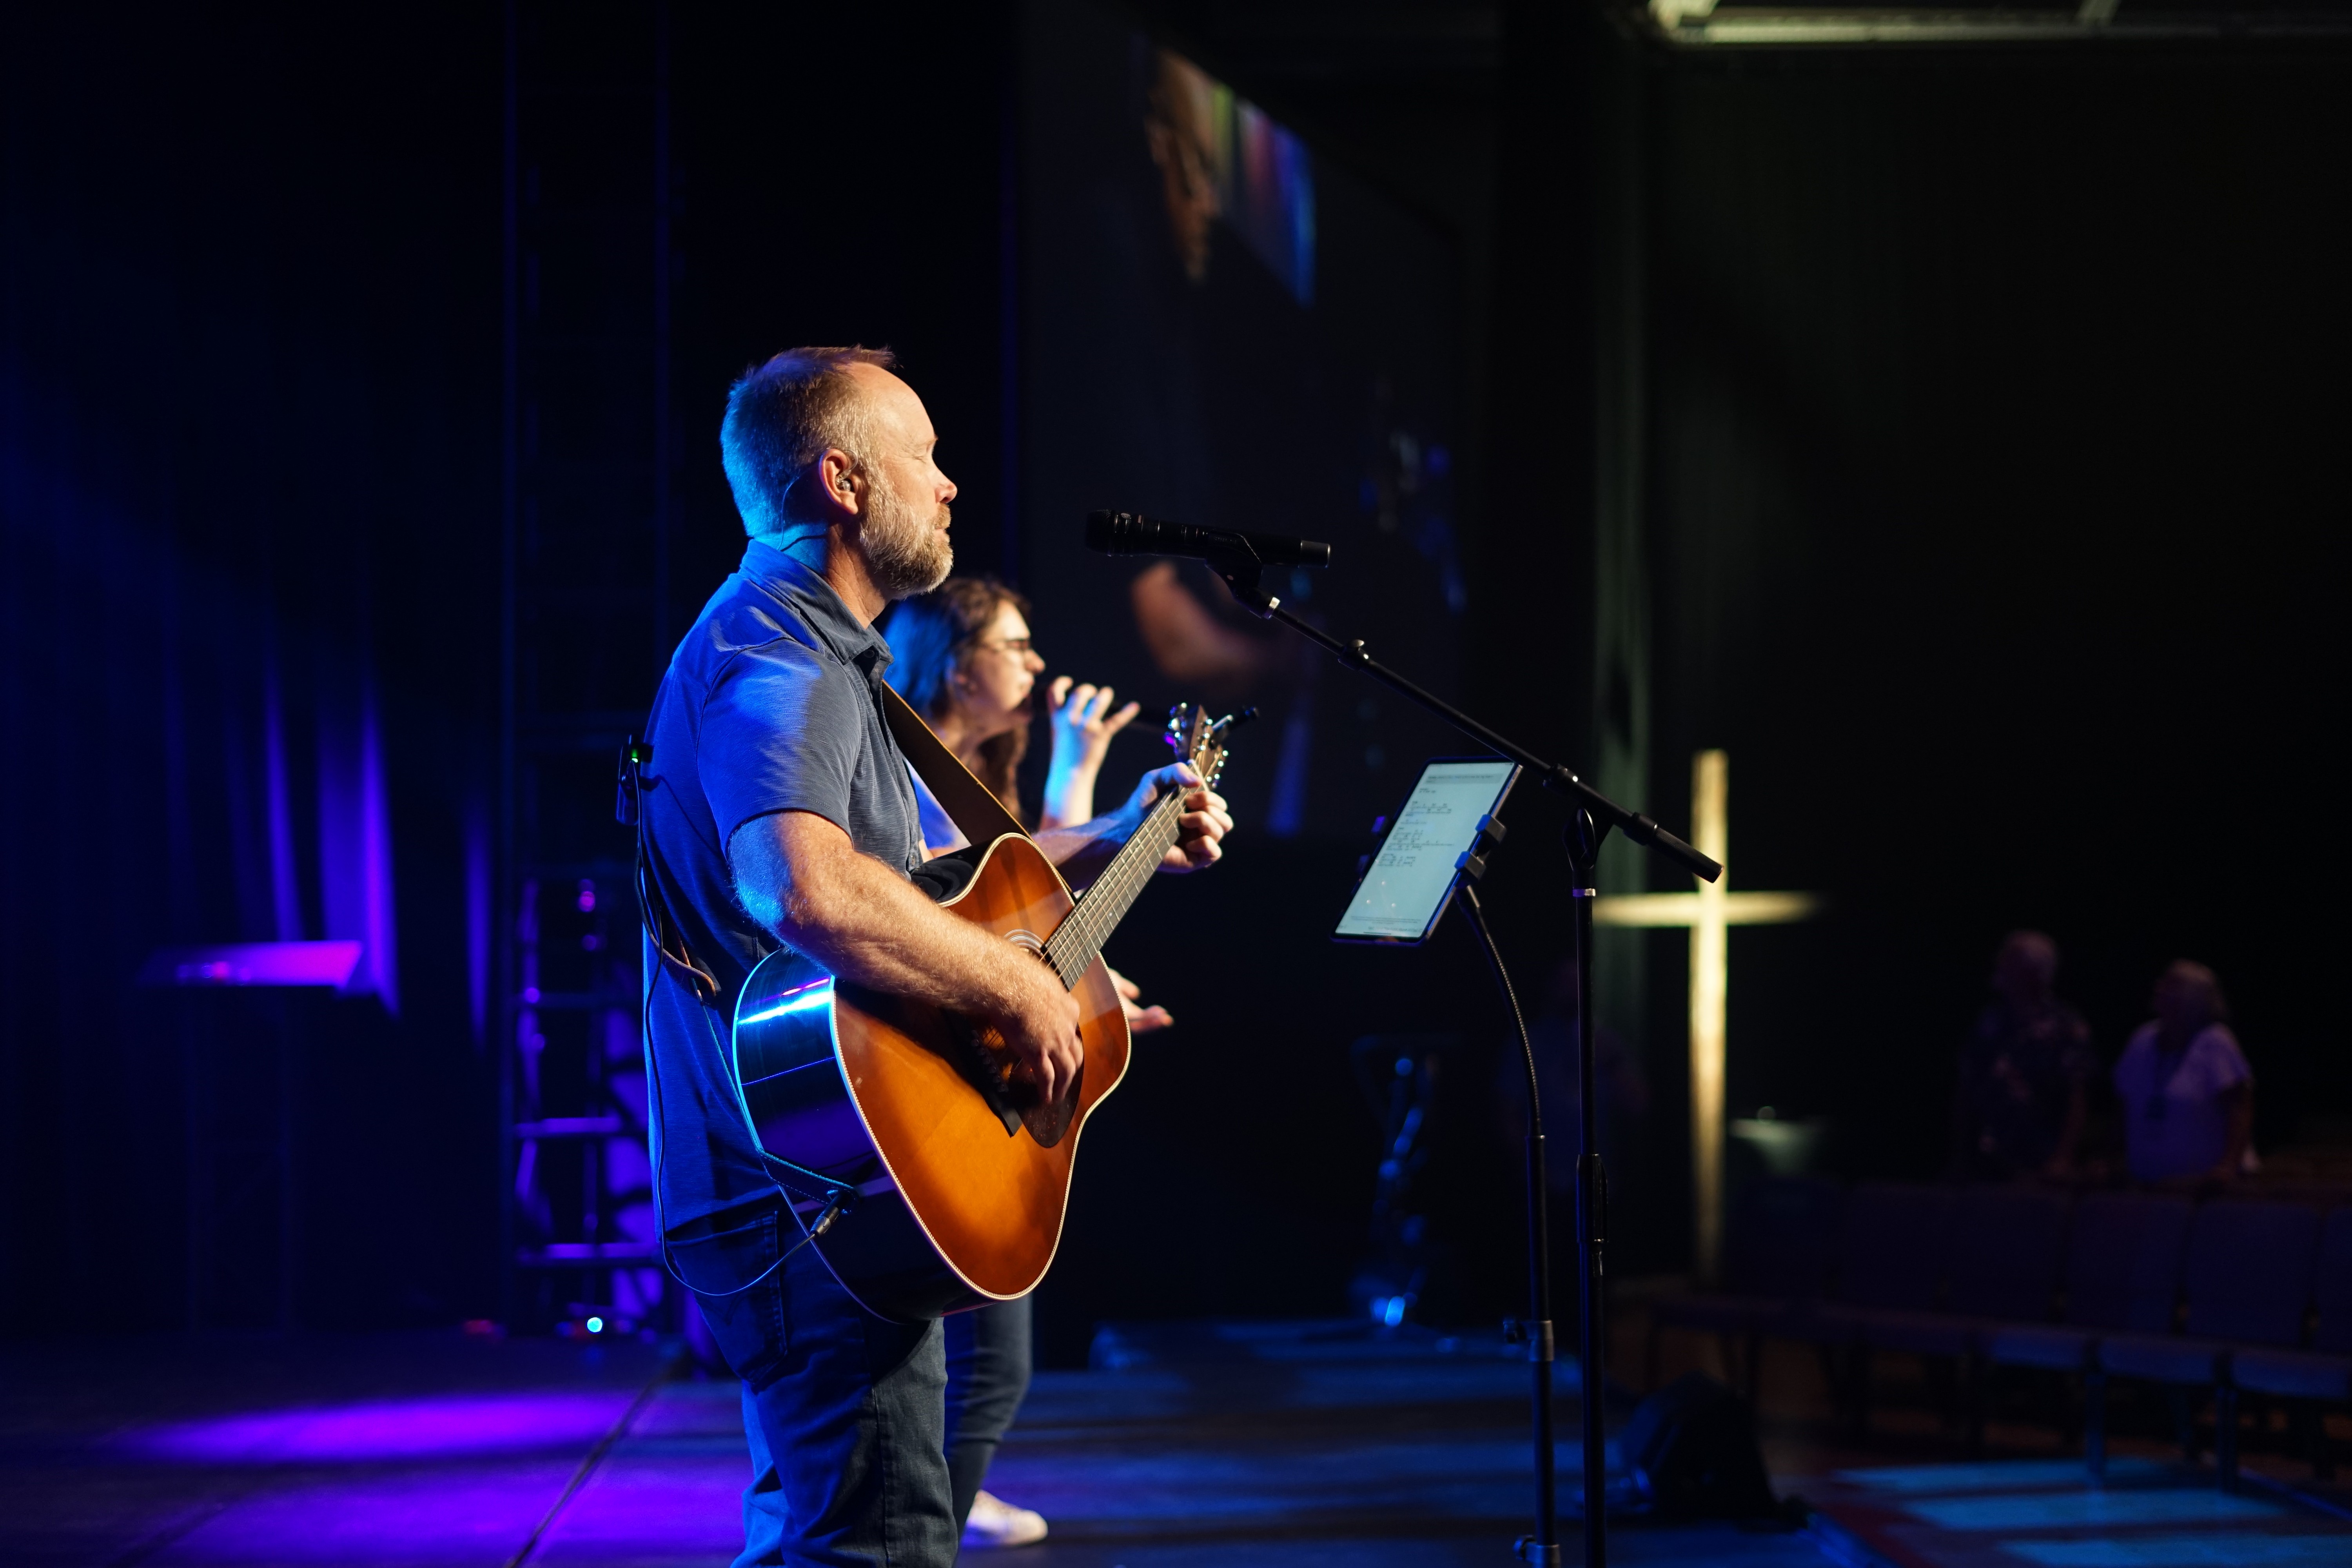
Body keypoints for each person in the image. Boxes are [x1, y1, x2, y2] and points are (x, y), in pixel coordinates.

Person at [634, 346, 1231, 1568]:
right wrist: (1014, 981)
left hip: (817, 1167)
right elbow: (795, 883)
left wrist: (1120, 833)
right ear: (845, 481)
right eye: (924, 456)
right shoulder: (776, 652)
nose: (949, 484)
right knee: (878, 1542)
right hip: (797, 1179)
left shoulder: (821, 650)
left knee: (823, 1530)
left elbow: (913, 882)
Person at [883, 577, 1174, 1548]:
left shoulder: (980, 782)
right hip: (923, 1080)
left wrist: (1092, 991)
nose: (1036, 663)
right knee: (989, 1359)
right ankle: (927, 1515)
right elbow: (959, 912)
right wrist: (1110, 812)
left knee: (973, 1355)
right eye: (1016, 644)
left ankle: (939, 1496)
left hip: (973, 1080)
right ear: (960, 667)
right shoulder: (902, 776)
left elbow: (1040, 920)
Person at [1950, 931, 2095, 1182]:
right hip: (1983, 1159)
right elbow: (1967, 1085)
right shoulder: (1991, 1021)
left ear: (2034, 973)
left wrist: (2062, 1159)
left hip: (2037, 1160)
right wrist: (1958, 1154)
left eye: (2011, 960)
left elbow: (2077, 1097)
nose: (2000, 965)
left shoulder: (2065, 1026)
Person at [2114, 960, 2255, 1187]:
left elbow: (2239, 1107)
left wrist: (2227, 1166)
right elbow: (2125, 1105)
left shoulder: (2215, 1042)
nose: (2159, 988)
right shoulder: (2142, 1039)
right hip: (2145, 1182)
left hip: (2202, 1189)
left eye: (2172, 985)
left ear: (2194, 998)